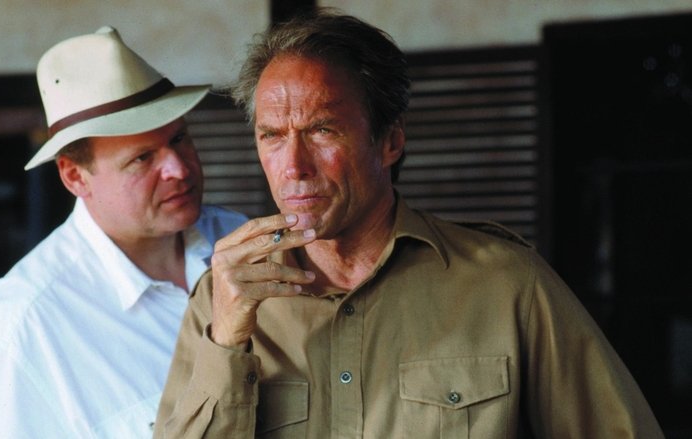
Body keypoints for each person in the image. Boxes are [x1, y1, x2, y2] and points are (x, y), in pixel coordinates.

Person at [153, 9, 664, 439]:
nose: (293, 166)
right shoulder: (222, 299)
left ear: (390, 141)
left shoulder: (506, 283)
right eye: (271, 136)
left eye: (322, 129)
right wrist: (227, 343)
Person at [0, 26, 247, 438]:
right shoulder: (15, 327)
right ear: (74, 177)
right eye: (142, 158)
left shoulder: (239, 241)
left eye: (179, 138)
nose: (178, 168)